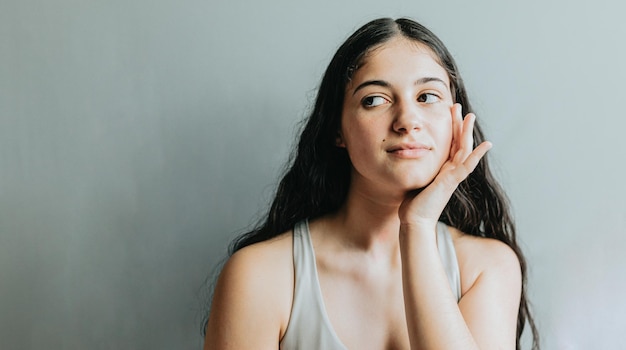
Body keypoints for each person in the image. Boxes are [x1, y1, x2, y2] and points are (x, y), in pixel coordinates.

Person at [203, 17, 539, 350]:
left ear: (456, 119)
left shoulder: (487, 267)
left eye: (427, 96)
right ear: (337, 130)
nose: (407, 120)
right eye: (374, 99)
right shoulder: (259, 276)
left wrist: (418, 226)